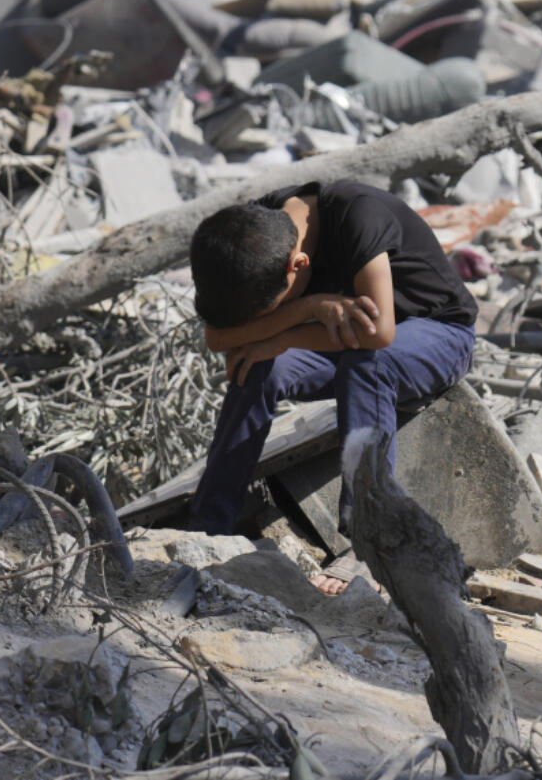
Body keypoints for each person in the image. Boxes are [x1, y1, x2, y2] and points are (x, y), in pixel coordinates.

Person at [187, 180, 477, 594]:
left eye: (268, 308)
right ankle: (209, 525)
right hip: (338, 334)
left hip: (438, 335)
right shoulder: (253, 231)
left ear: (298, 265)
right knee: (255, 367)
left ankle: (368, 542)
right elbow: (218, 339)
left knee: (368, 362)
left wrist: (282, 336)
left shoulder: (360, 217)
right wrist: (307, 307)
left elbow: (378, 333)